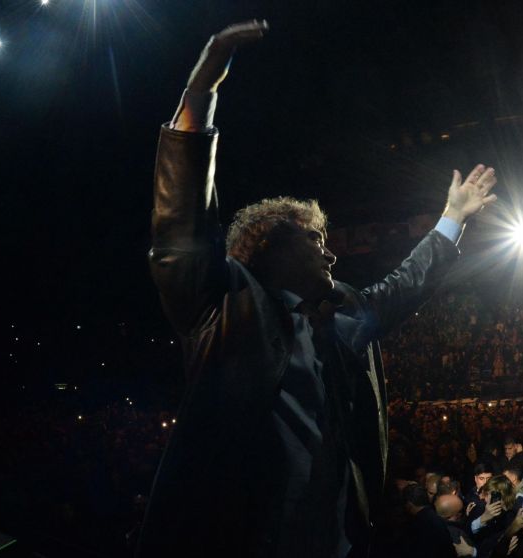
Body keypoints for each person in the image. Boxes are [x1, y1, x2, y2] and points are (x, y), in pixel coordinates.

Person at [136, 21, 498, 558]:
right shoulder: (225, 306)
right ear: (271, 248)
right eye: (315, 239)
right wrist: (200, 93)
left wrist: (453, 217)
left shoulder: (344, 310)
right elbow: (182, 225)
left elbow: (405, 287)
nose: (331, 252)